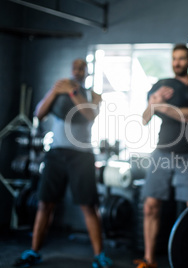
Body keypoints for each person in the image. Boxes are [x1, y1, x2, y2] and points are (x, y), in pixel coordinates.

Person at [13, 59, 113, 268]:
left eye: (81, 69)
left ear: (87, 71)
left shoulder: (93, 95)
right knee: (44, 204)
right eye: (75, 68)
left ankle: (99, 256)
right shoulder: (58, 89)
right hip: (56, 153)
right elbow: (38, 114)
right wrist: (54, 90)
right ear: (70, 69)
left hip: (82, 155)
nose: (77, 71)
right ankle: (34, 251)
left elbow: (90, 115)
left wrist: (73, 93)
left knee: (89, 206)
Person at [133, 44, 188, 268]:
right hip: (161, 152)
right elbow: (145, 118)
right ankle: (149, 259)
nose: (177, 62)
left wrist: (161, 106)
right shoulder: (161, 86)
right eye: (174, 59)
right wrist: (152, 102)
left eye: (182, 59)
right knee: (150, 207)